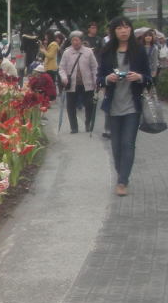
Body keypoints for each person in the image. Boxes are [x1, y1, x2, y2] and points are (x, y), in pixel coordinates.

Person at [98, 16, 151, 197]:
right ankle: (122, 174)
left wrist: (140, 77)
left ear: (131, 30)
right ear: (114, 31)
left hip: (132, 106)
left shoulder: (139, 51)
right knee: (116, 145)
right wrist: (107, 79)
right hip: (113, 106)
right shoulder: (107, 52)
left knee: (128, 143)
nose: (123, 30)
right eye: (119, 28)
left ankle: (122, 181)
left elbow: (149, 78)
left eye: (127, 27)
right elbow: (99, 79)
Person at [58, 31, 99, 133]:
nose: (75, 42)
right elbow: (61, 68)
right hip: (72, 83)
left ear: (81, 41)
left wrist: (96, 80)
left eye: (77, 40)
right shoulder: (67, 52)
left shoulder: (88, 52)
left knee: (89, 105)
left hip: (87, 83)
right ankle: (74, 127)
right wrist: (64, 77)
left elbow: (94, 67)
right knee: (71, 106)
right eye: (73, 40)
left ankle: (88, 123)